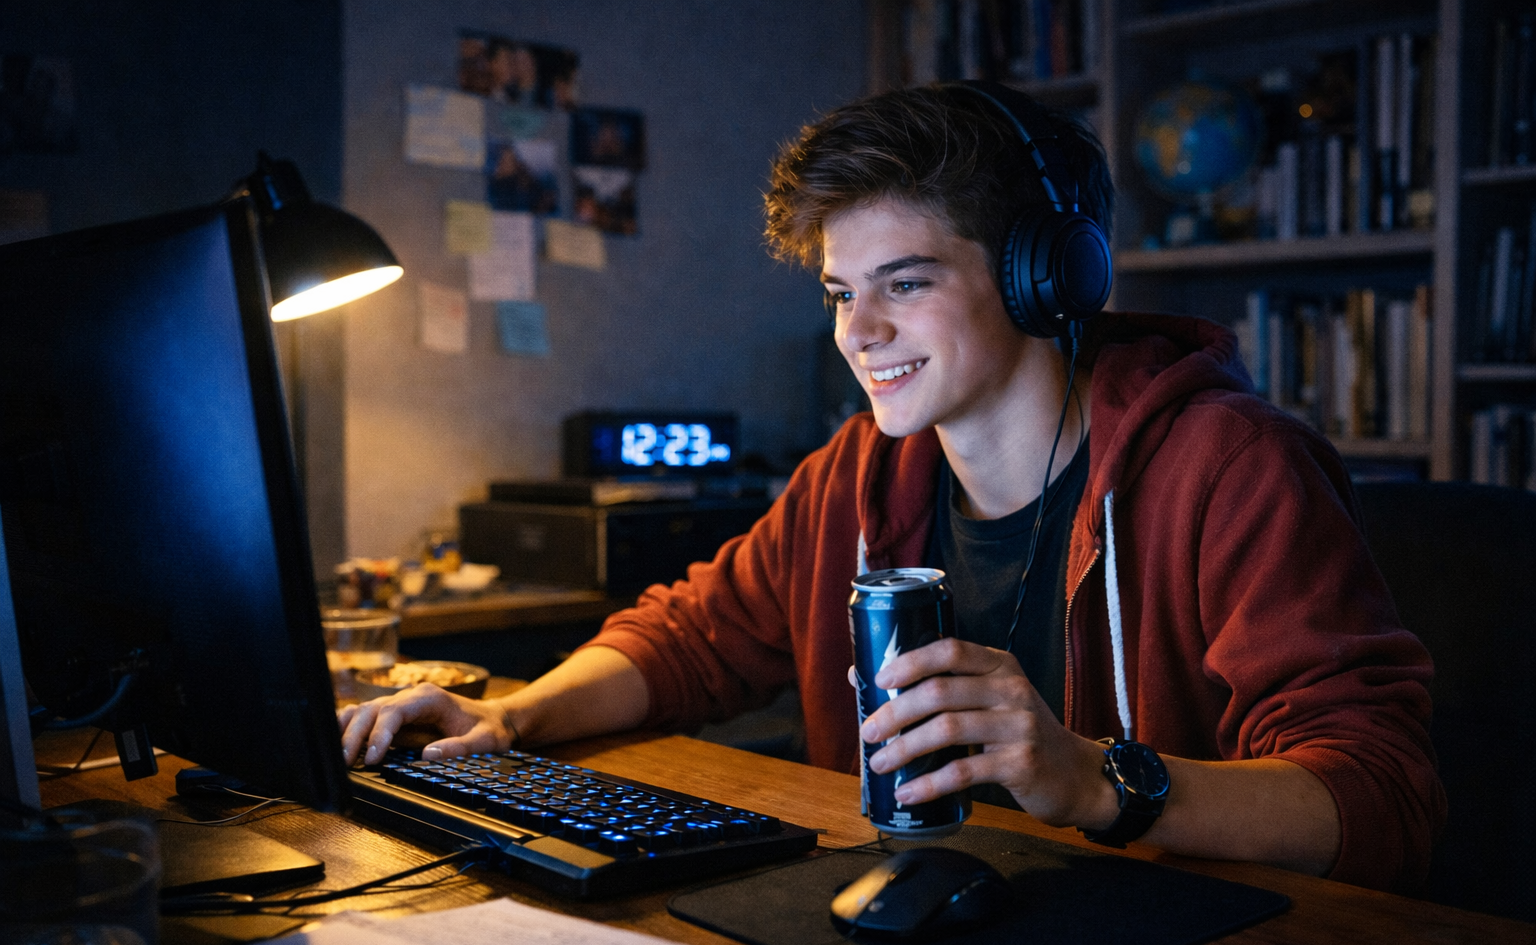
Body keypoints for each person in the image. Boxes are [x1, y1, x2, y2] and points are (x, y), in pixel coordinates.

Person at [339, 84, 1445, 893]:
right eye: (838, 292)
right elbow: (690, 637)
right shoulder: (857, 476)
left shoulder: (1227, 467)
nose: (857, 334)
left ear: (1043, 274)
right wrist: (512, 715)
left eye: (903, 285)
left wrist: (1104, 781)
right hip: (921, 928)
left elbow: (1382, 798)